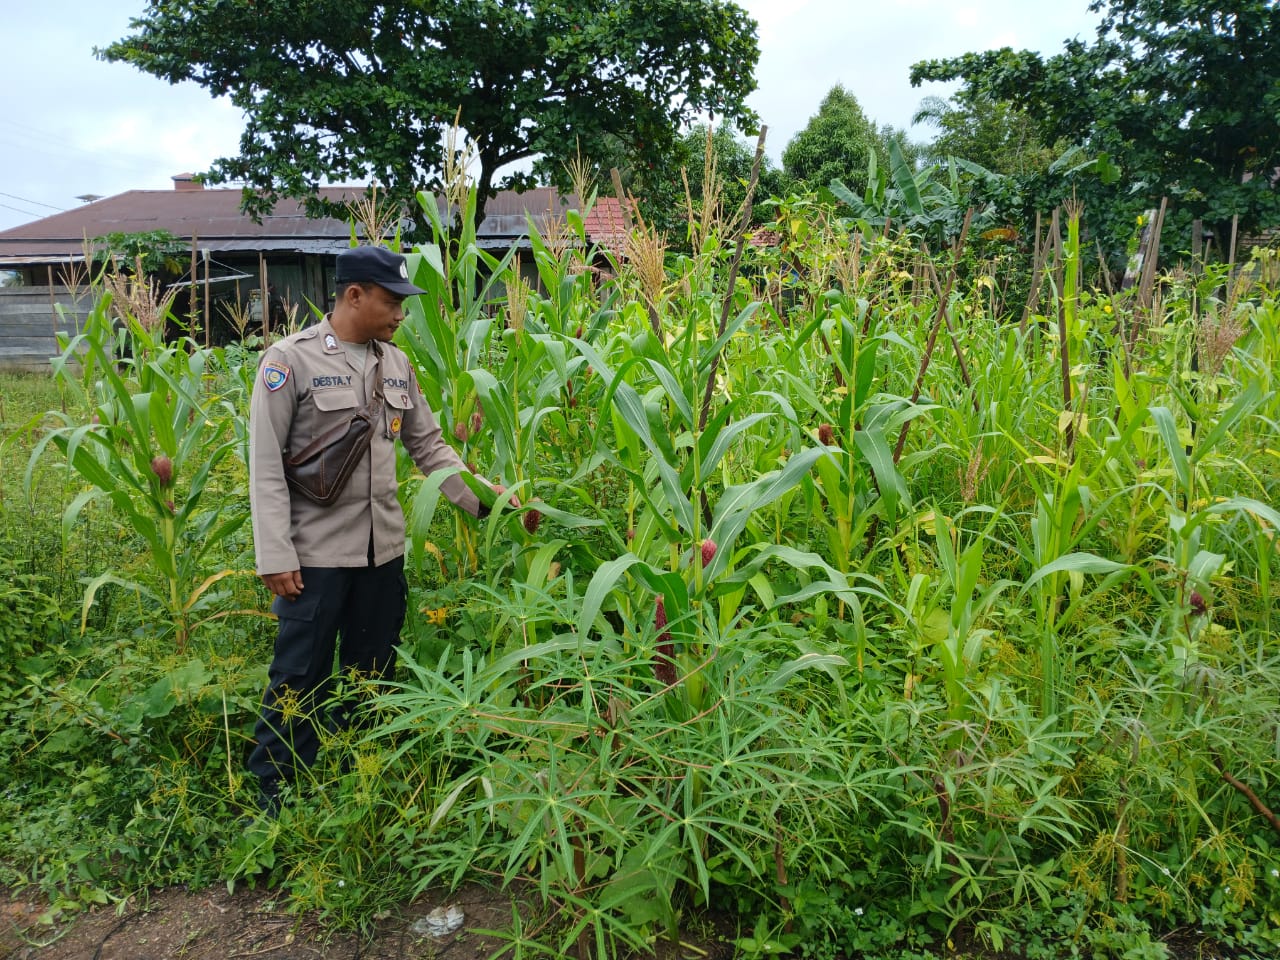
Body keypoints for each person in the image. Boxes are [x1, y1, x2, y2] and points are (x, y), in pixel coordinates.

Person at [246, 244, 504, 811]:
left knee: (373, 673)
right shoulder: (290, 362)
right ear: (354, 294)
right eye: (391, 302)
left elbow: (429, 447)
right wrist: (275, 553)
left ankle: (361, 779)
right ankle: (276, 797)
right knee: (299, 676)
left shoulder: (396, 364)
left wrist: (488, 502)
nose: (400, 315)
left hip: (382, 552)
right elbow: (265, 464)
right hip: (314, 556)